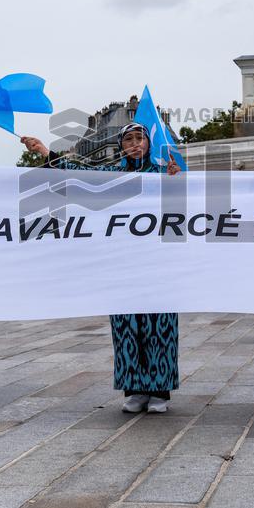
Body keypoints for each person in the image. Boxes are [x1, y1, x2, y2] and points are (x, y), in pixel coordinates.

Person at [21, 123, 181, 413]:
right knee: (127, 328)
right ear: (121, 145)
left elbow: (186, 204)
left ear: (148, 143)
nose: (134, 144)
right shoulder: (110, 175)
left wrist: (177, 180)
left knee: (160, 327)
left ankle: (160, 391)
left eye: (139, 138)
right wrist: (45, 151)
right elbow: (75, 173)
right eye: (128, 139)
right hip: (121, 265)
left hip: (157, 265)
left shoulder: (163, 173)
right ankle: (134, 389)